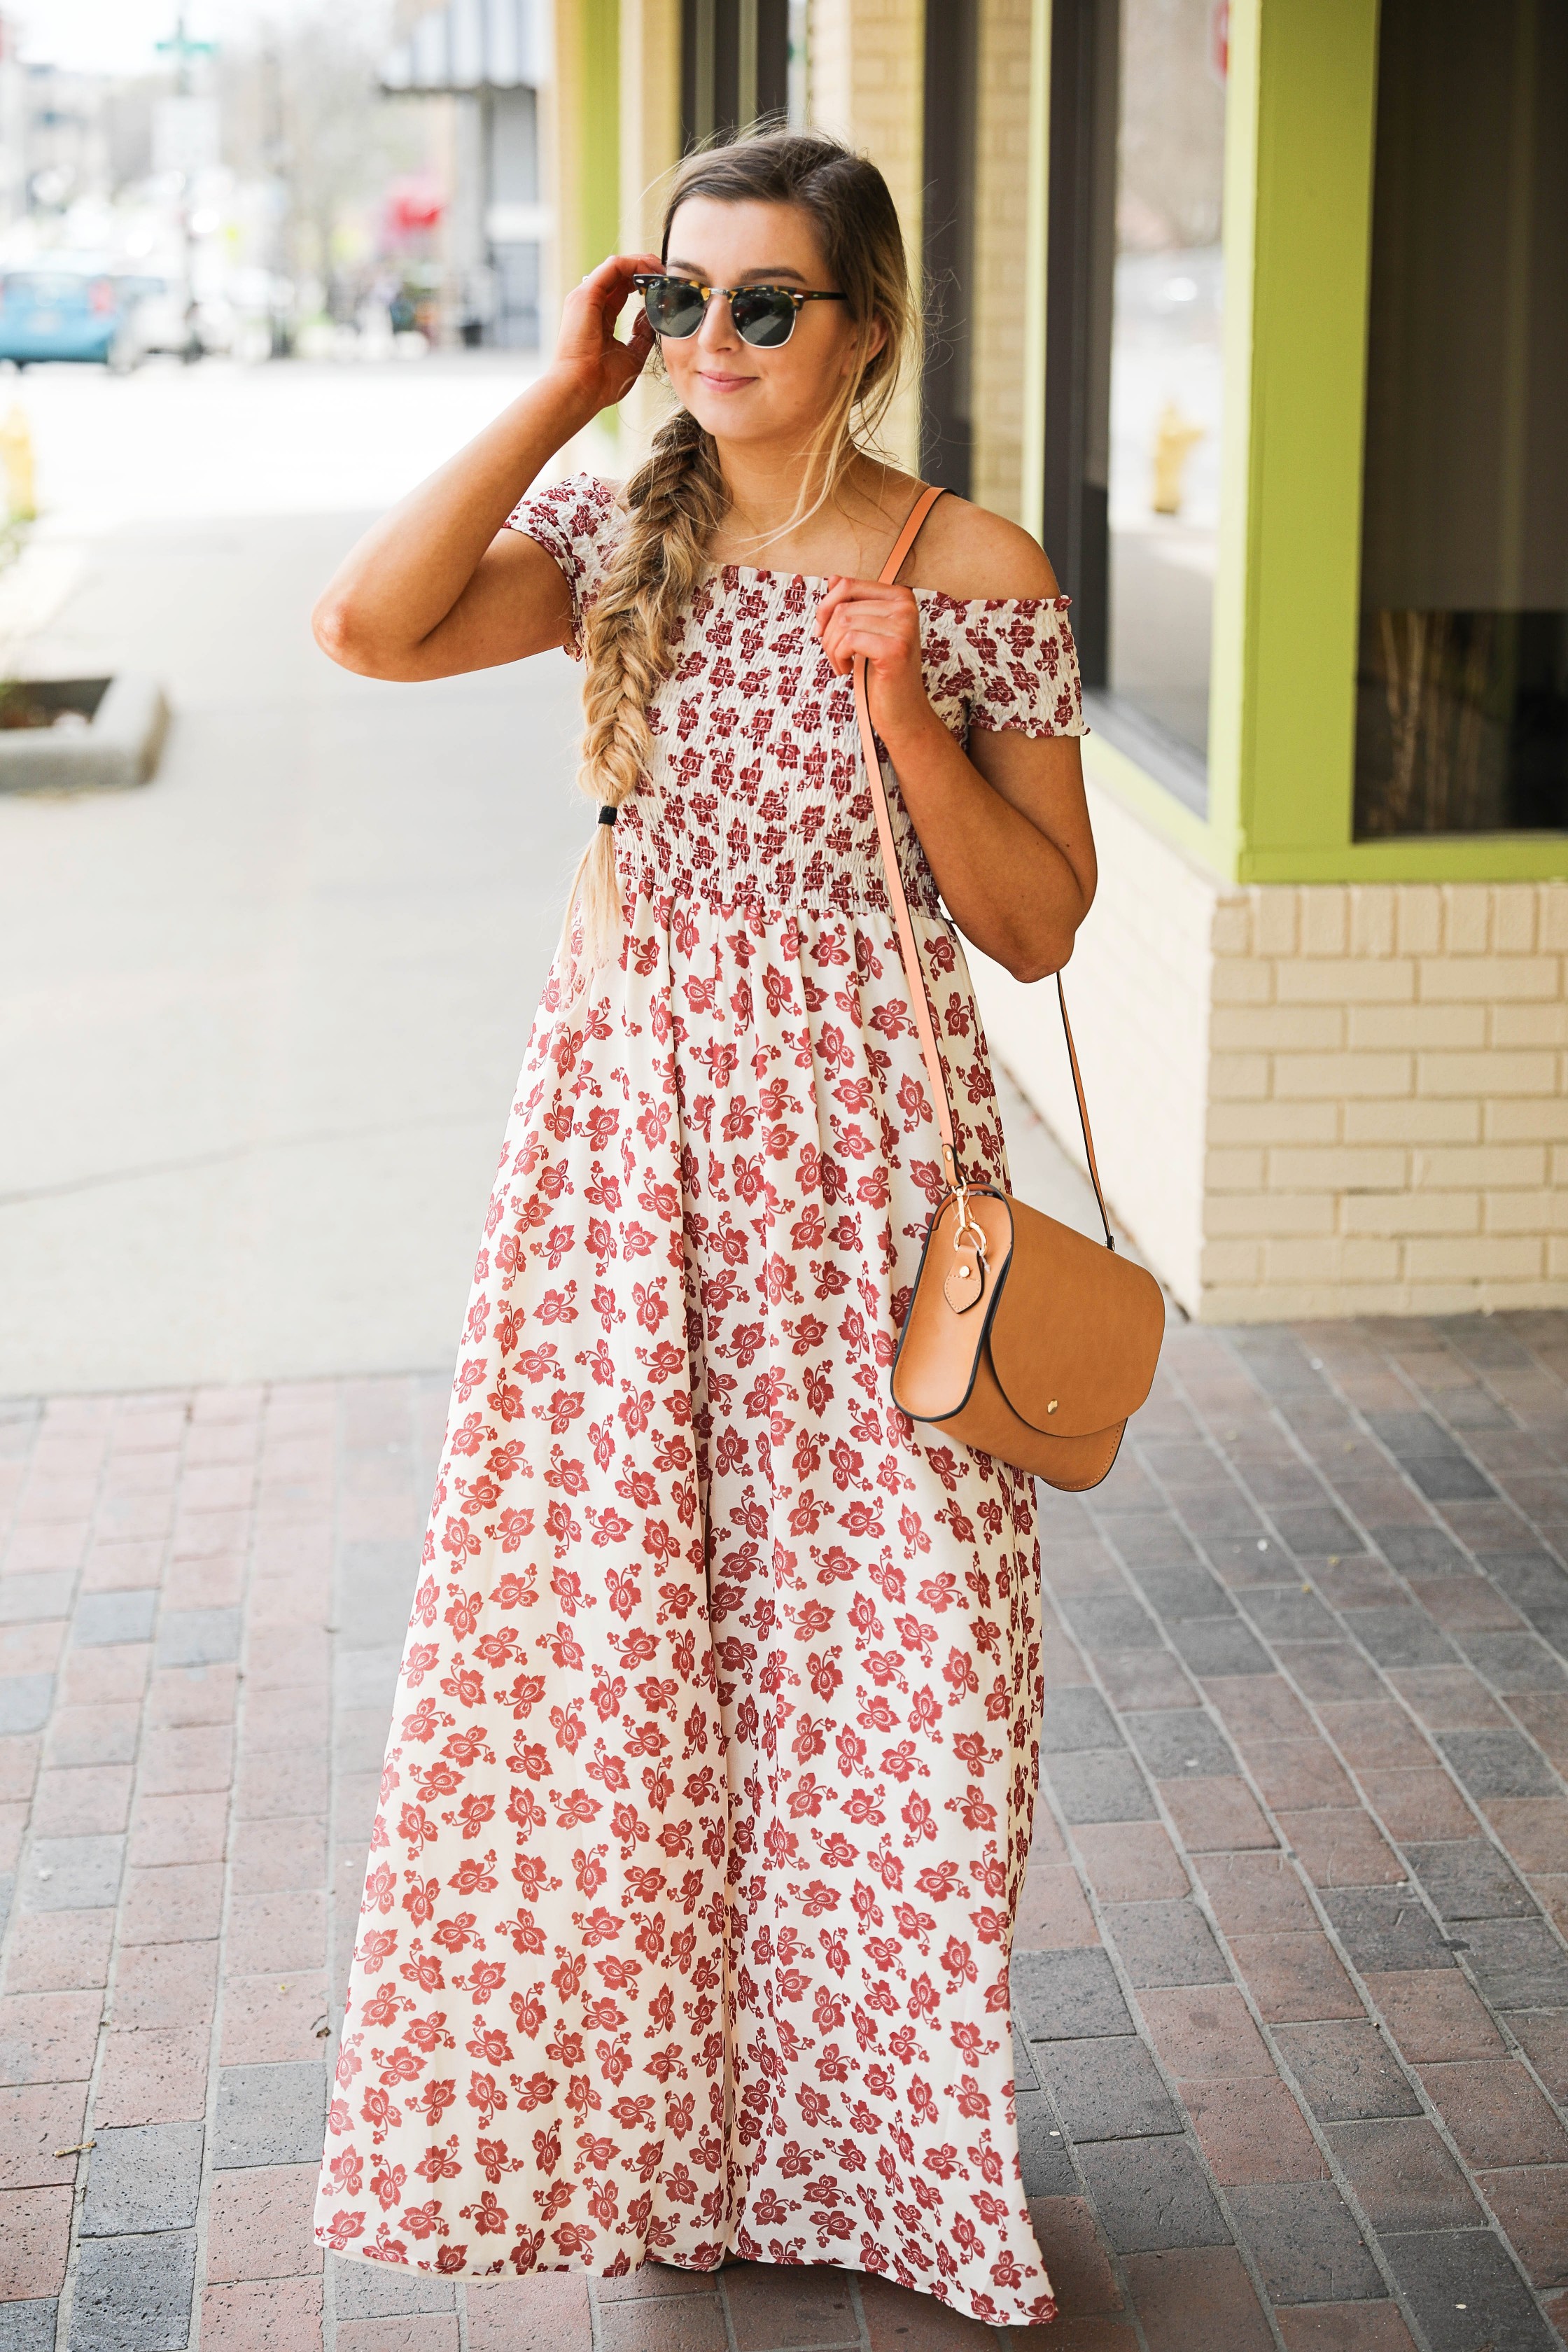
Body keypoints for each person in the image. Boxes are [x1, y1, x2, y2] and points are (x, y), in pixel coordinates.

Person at [309, 127, 1095, 2328]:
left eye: (769, 305)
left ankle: (896, 2153)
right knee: (638, 1675)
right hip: (628, 1167)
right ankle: (690, 2137)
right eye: (689, 300)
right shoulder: (609, 520)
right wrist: (568, 390)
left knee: (905, 1677)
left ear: (867, 328)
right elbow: (366, 628)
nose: (721, 342)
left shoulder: (981, 571)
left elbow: (1035, 927)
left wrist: (901, 718)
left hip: (870, 1175)